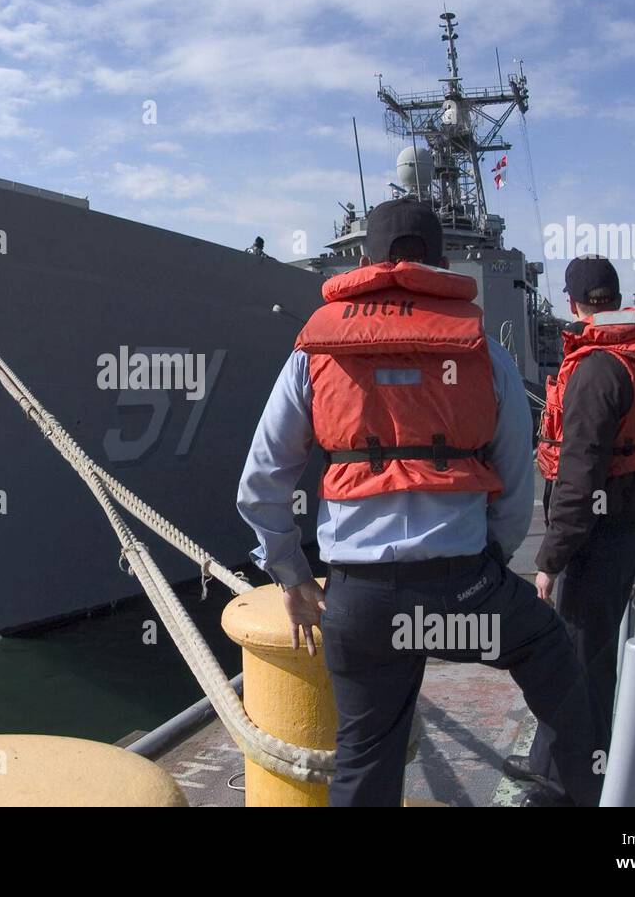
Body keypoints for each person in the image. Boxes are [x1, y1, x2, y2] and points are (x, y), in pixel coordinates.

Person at [237, 198, 603, 807]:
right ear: (440, 263)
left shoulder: (314, 354)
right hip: (463, 594)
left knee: (364, 753)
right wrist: (489, 558)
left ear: (362, 261)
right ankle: (578, 794)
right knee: (550, 652)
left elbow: (261, 479)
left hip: (358, 602)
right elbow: (516, 478)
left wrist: (291, 575)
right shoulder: (486, 354)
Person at [502, 254, 635, 804]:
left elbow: (579, 480)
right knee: (593, 652)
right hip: (623, 528)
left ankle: (568, 781)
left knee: (575, 659)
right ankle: (563, 758)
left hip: (593, 539)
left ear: (574, 303)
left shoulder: (596, 369)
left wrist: (549, 560)